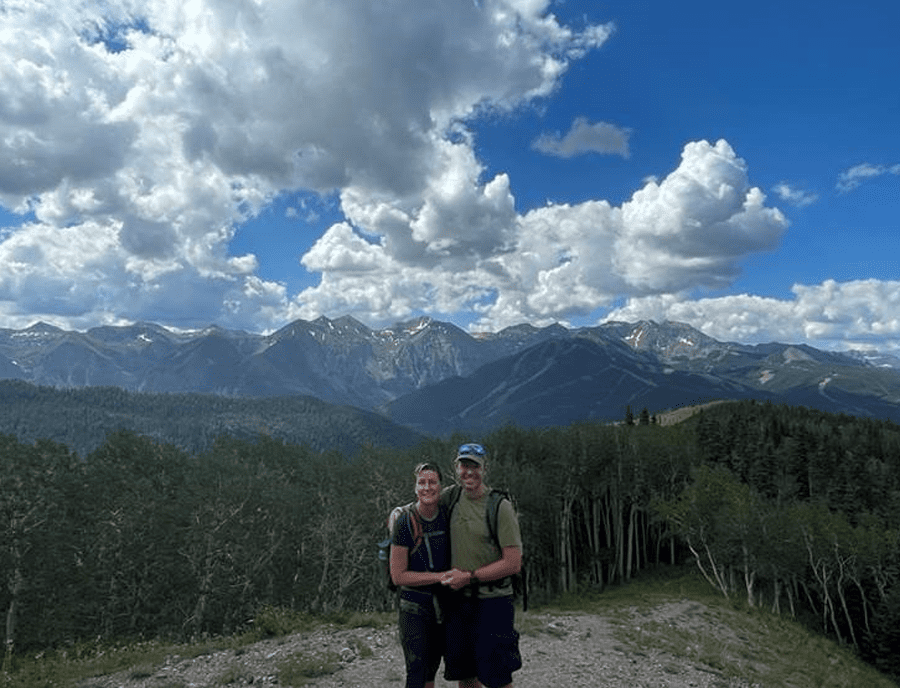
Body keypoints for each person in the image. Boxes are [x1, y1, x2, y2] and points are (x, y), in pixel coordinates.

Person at [440, 443, 523, 688]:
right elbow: (423, 503)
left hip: (493, 602)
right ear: (456, 468)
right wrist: (399, 513)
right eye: (464, 465)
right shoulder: (451, 497)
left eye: (474, 466)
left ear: (484, 469)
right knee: (464, 674)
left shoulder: (500, 507)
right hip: (458, 601)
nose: (469, 472)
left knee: (497, 676)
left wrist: (469, 577)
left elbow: (513, 562)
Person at [390, 462, 451, 688]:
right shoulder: (405, 521)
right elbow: (398, 576)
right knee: (416, 674)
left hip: (443, 606)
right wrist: (439, 577)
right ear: (415, 487)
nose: (427, 487)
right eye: (422, 482)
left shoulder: (446, 515)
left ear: (441, 486)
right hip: (413, 608)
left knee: (430, 673)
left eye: (432, 482)